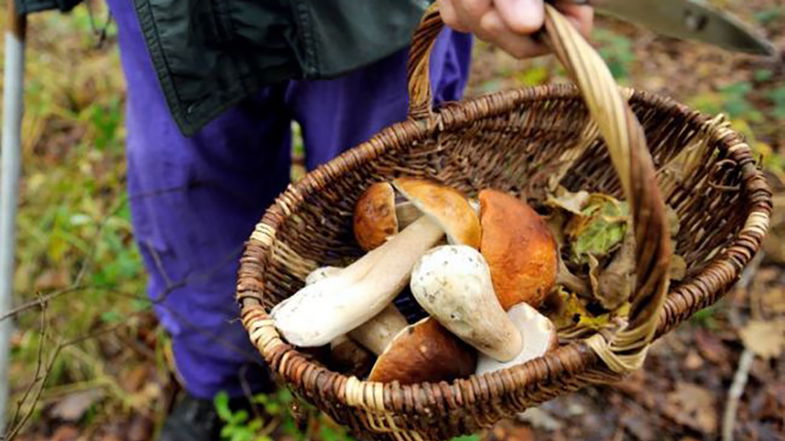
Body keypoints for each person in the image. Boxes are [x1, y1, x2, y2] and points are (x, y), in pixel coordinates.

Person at [98, 1, 592, 440]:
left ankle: (402, 398)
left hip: (378, 18)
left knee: (380, 155)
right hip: (182, 18)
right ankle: (219, 383)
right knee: (191, 197)